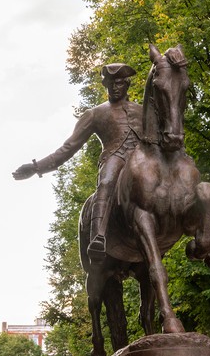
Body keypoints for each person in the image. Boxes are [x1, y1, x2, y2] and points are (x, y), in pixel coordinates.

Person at [12, 63, 142, 261]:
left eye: (119, 83)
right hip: (115, 157)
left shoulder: (143, 112)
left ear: (127, 84)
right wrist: (36, 167)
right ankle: (98, 236)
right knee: (106, 182)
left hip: (142, 162)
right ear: (105, 85)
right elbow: (68, 148)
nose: (115, 88)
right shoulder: (95, 114)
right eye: (110, 84)